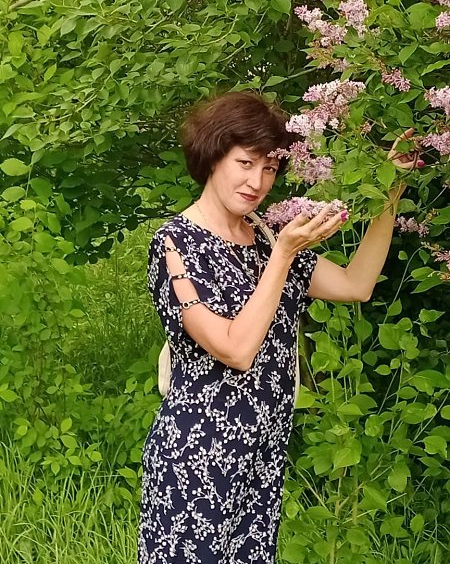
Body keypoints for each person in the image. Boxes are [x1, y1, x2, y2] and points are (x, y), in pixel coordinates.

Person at [138, 91, 420, 564]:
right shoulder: (175, 244)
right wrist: (285, 255)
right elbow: (235, 348)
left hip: (262, 454)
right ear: (213, 156)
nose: (257, 182)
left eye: (269, 168)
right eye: (245, 163)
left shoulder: (266, 237)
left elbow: (356, 284)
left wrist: (390, 193)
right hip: (197, 458)